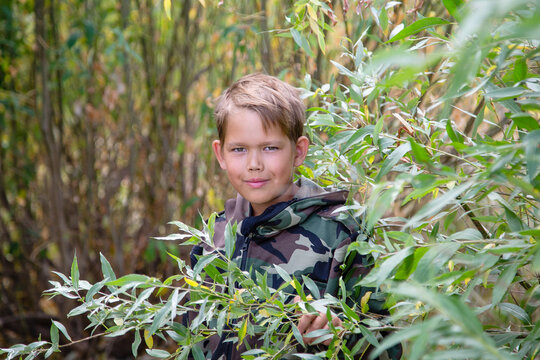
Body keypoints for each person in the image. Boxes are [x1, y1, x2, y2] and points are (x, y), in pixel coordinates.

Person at [189, 73, 399, 359]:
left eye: (270, 148)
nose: (254, 164)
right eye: (239, 149)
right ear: (220, 154)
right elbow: (191, 336)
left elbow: (385, 345)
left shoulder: (341, 234)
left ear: (298, 151)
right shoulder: (214, 236)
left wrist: (338, 334)